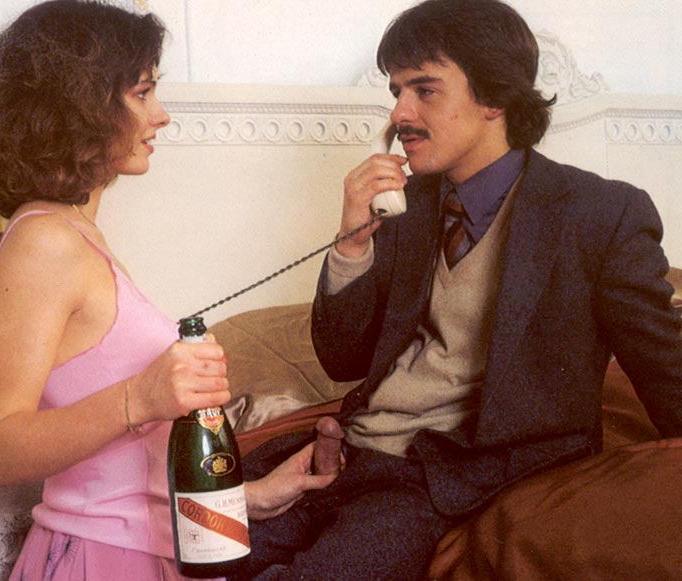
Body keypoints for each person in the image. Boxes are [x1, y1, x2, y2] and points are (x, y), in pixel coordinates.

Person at [236, 0, 682, 579]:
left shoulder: (600, 213)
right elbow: (343, 361)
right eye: (397, 91)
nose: (400, 113)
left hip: (438, 482)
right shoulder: (406, 206)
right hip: (340, 456)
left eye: (425, 89)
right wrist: (351, 246)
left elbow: (662, 365)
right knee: (188, 548)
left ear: (494, 97)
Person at [0, 2, 338, 580]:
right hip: (101, 558)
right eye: (142, 93)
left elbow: (122, 470)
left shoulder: (78, 234)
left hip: (147, 551)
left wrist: (246, 498)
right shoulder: (42, 242)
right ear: (79, 106)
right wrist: (142, 396)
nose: (161, 116)